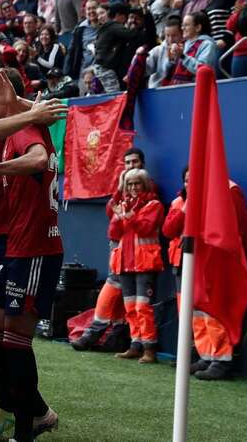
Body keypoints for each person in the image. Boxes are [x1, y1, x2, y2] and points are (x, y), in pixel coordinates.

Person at [0, 68, 62, 442]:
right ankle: (21, 414)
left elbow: (39, 160)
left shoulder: (24, 130)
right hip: (18, 248)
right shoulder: (16, 126)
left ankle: (26, 426)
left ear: (7, 94)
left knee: (14, 345)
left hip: (36, 249)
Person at [163, 168, 247, 380]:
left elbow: (239, 229)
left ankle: (221, 360)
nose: (190, 183)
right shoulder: (192, 196)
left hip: (216, 259)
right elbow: (171, 229)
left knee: (213, 307)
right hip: (196, 257)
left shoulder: (229, 190)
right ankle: (207, 354)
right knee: (198, 309)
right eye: (187, 180)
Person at [70, 148, 150, 351]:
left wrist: (127, 215)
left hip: (140, 254)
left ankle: (135, 343)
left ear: (142, 164)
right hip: (120, 247)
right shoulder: (122, 190)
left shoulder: (148, 192)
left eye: (135, 162)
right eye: (128, 163)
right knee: (118, 291)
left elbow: (143, 222)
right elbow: (110, 214)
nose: (131, 166)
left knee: (133, 299)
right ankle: (104, 334)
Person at [109, 168, 164, 364]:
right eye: (129, 184)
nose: (133, 187)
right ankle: (135, 345)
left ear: (145, 184)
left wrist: (128, 216)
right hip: (125, 263)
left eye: (137, 183)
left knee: (143, 307)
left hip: (144, 264)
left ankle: (150, 349)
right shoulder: (124, 205)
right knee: (130, 307)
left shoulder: (154, 204)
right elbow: (114, 233)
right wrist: (118, 217)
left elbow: (145, 227)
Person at [163, 11, 218, 85]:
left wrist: (183, 56)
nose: (182, 28)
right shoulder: (183, 44)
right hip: (178, 88)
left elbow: (203, 70)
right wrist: (171, 60)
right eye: (182, 25)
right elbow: (166, 72)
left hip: (198, 89)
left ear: (198, 27)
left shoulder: (208, 44)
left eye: (186, 25)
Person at [139, 16, 184, 88]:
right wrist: (138, 59)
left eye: (174, 35)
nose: (170, 39)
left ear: (182, 34)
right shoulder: (157, 50)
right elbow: (144, 69)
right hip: (158, 89)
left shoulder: (188, 49)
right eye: (167, 35)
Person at [64, 0, 100, 81]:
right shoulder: (80, 29)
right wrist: (66, 73)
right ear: (85, 11)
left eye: (94, 8)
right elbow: (71, 52)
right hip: (84, 73)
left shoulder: (106, 26)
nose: (91, 11)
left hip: (102, 72)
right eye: (88, 9)